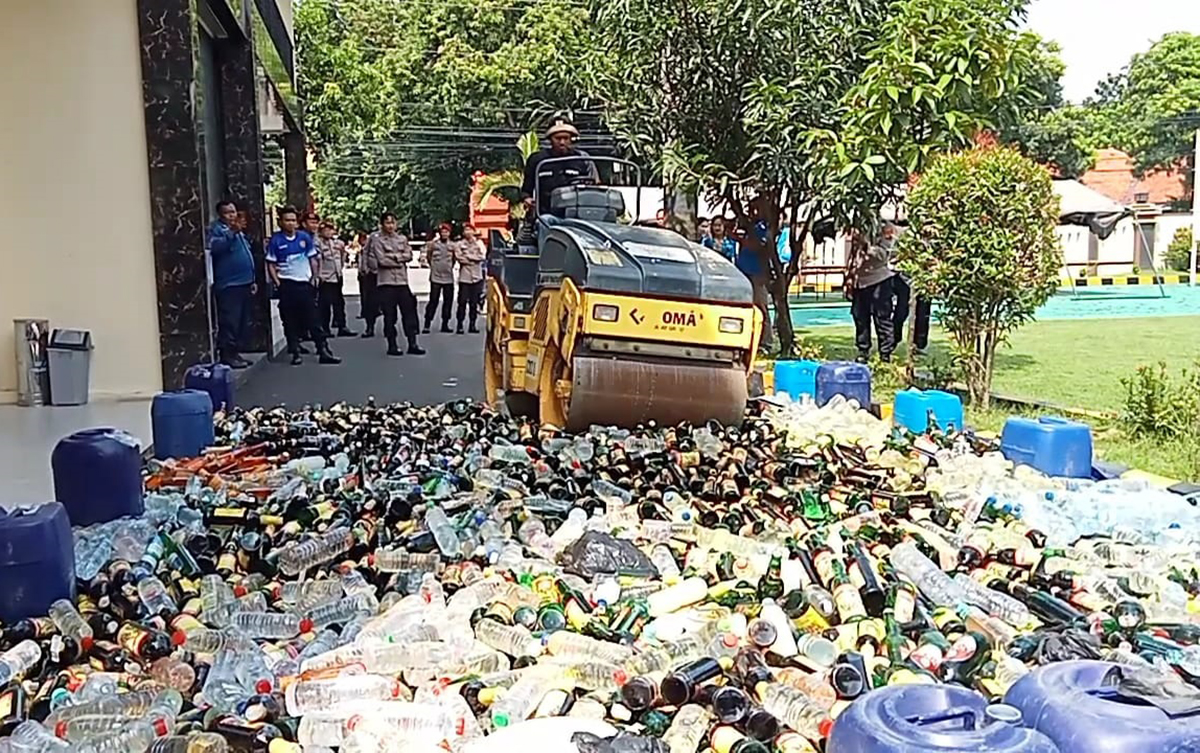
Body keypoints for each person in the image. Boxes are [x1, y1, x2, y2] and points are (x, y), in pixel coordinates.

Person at [265, 206, 340, 366]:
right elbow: (270, 263)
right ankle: (295, 351)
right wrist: (277, 282)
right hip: (287, 284)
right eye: (287, 220)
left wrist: (315, 276)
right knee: (289, 320)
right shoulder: (276, 240)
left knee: (313, 319)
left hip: (305, 285)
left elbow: (313, 259)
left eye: (293, 220)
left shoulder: (304, 238)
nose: (290, 223)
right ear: (280, 222)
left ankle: (323, 350)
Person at [365, 212, 424, 356]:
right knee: (390, 316)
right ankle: (392, 345)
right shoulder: (377, 240)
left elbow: (409, 256)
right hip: (386, 283)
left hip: (402, 282)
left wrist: (394, 257)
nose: (390, 226)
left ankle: (413, 343)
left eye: (392, 222)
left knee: (409, 313)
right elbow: (382, 260)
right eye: (387, 223)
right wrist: (399, 259)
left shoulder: (402, 239)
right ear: (382, 224)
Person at [206, 200, 256, 369]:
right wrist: (231, 233)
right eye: (228, 212)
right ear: (220, 214)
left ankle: (236, 352)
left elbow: (246, 254)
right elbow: (215, 248)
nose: (232, 215)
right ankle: (227, 355)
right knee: (230, 322)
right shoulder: (218, 230)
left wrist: (253, 279)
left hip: (244, 282)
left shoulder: (239, 232)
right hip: (229, 284)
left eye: (233, 212)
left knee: (241, 321)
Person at [520, 120, 598, 222]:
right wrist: (527, 200)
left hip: (577, 216)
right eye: (557, 138)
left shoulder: (582, 159)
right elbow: (526, 190)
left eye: (566, 138)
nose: (562, 142)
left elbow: (595, 186)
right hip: (546, 216)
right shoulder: (538, 160)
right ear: (550, 139)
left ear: (571, 139)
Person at [844, 228, 896, 363]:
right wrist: (848, 278)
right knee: (860, 317)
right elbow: (852, 257)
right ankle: (863, 350)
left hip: (879, 280)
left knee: (882, 317)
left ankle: (885, 354)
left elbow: (883, 256)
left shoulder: (881, 227)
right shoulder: (855, 229)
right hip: (859, 282)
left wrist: (866, 245)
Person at [887, 223, 931, 354]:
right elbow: (893, 258)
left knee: (923, 313)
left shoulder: (934, 238)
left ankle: (919, 344)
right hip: (905, 279)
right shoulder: (906, 235)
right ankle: (892, 340)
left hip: (924, 281)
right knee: (901, 311)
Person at [316, 221, 355, 338]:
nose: (328, 232)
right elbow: (318, 260)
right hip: (325, 278)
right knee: (325, 304)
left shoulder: (337, 243)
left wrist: (341, 268)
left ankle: (342, 326)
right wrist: (319, 275)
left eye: (330, 229)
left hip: (337, 276)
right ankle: (325, 328)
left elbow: (342, 257)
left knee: (339, 303)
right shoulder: (318, 243)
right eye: (325, 230)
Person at [422, 223, 457, 333]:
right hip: (435, 277)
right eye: (443, 232)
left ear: (449, 233)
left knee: (448, 301)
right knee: (433, 301)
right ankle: (427, 323)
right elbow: (429, 256)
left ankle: (445, 324)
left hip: (448, 277)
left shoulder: (452, 245)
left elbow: (454, 259)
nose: (444, 234)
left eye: (446, 232)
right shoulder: (433, 244)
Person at [454, 226, 487, 334]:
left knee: (474, 303)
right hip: (465, 277)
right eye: (466, 230)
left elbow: (482, 256)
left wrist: (469, 257)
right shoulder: (459, 244)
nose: (468, 232)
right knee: (462, 302)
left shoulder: (479, 244)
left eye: (470, 230)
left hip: (477, 277)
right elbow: (459, 258)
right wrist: (473, 259)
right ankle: (460, 324)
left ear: (473, 231)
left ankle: (472, 325)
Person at [358, 229, 380, 338]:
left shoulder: (398, 238)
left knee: (389, 303)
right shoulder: (373, 237)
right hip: (372, 273)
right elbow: (365, 252)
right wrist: (364, 267)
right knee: (370, 302)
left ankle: (390, 327)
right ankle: (369, 327)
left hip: (387, 273)